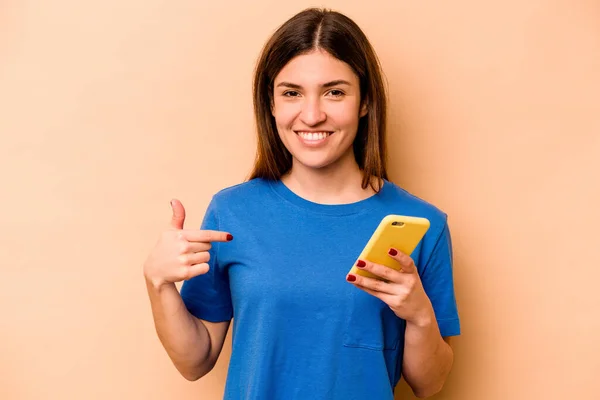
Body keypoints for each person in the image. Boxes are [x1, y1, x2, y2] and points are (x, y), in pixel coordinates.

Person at [143, 7, 460, 400]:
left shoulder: (421, 224)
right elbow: (195, 360)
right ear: (271, 104)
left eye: (335, 92)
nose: (312, 115)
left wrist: (420, 315)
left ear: (364, 102)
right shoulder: (232, 213)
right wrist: (158, 283)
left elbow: (429, 385)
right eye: (292, 93)